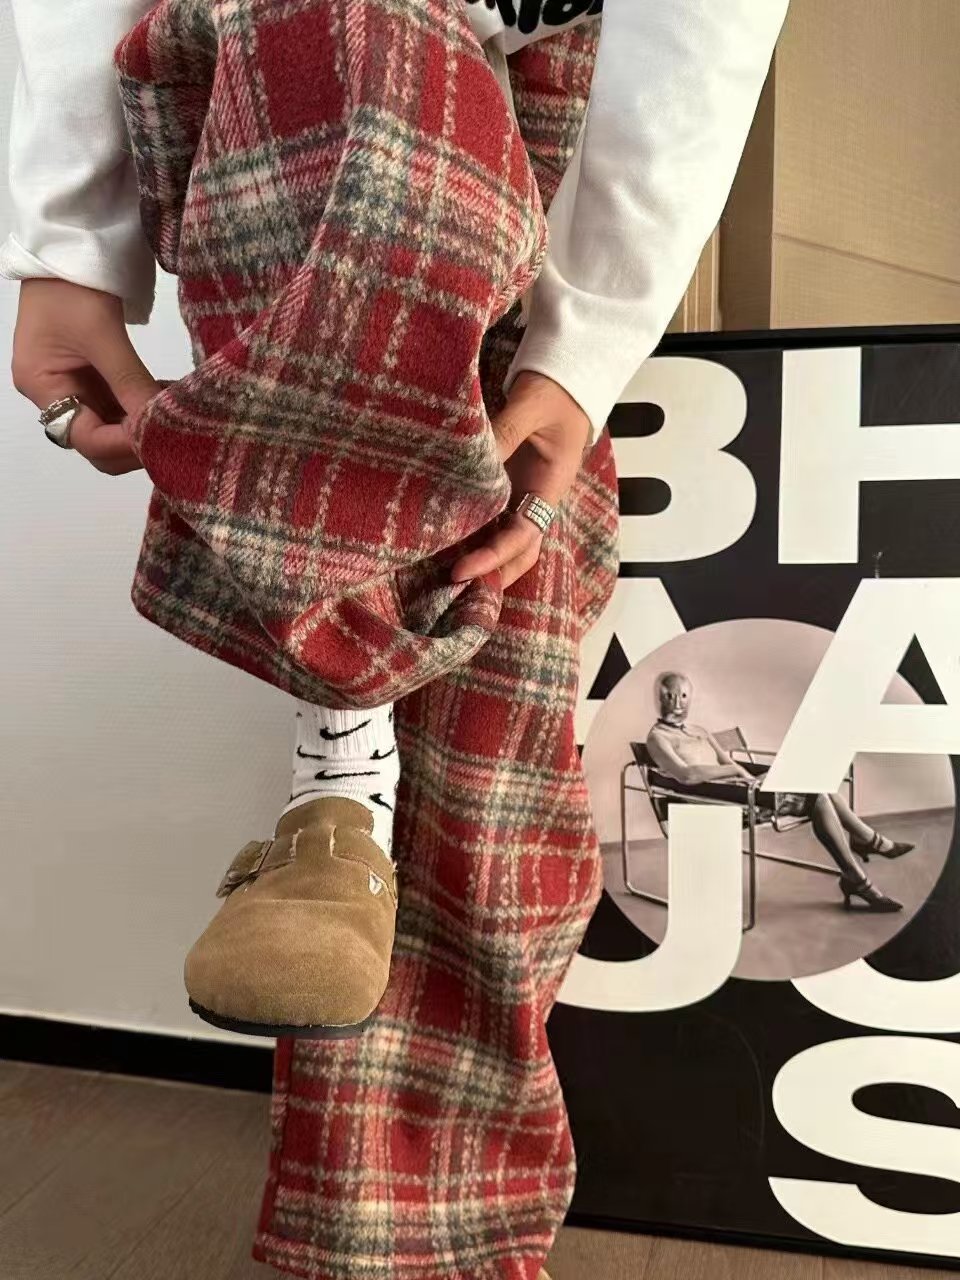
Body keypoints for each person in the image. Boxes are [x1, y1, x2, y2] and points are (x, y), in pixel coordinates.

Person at [2, 0, 790, 1040]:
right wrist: (69, 247)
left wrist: (584, 348)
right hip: (308, 74)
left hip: (559, 77)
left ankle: (432, 1121)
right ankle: (342, 758)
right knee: (344, 36)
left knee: (487, 741)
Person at [646, 671, 914, 912]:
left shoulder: (700, 731)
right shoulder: (658, 738)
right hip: (715, 804)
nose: (677, 702)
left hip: (741, 792)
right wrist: (738, 773)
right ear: (658, 698)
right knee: (818, 798)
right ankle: (862, 861)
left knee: (817, 779)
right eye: (669, 695)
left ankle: (864, 850)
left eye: (683, 695)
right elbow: (686, 775)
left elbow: (729, 763)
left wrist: (752, 778)